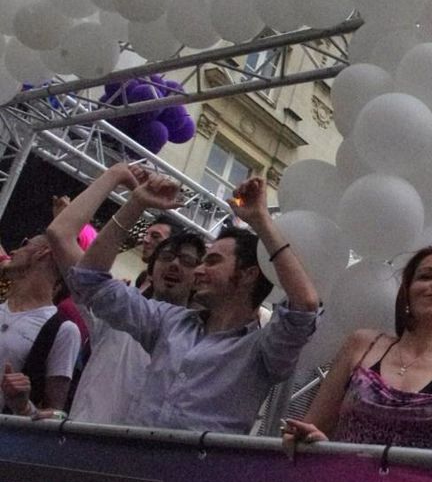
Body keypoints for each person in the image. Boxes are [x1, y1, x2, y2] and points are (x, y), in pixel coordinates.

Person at [63, 168, 320, 433]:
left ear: (248, 274)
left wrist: (261, 221)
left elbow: (306, 305)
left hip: (197, 474)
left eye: (212, 261)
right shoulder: (170, 322)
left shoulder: (263, 350)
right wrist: (137, 202)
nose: (198, 270)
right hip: (130, 466)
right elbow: (89, 280)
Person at [283, 180, 432, 450]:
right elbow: (314, 427)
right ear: (407, 295)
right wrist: (309, 440)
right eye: (426, 276)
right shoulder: (362, 345)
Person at [46, 163, 205, 424]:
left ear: (200, 278)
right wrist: (117, 175)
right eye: (166, 257)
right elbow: (60, 234)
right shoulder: (115, 310)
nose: (175, 265)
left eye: (187, 261)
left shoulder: (205, 341)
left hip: (140, 462)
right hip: (79, 450)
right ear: (151, 271)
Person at [0, 234, 81, 416]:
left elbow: (56, 414)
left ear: (43, 253)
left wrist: (23, 406)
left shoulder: (63, 329)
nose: (14, 251)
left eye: (24, 244)